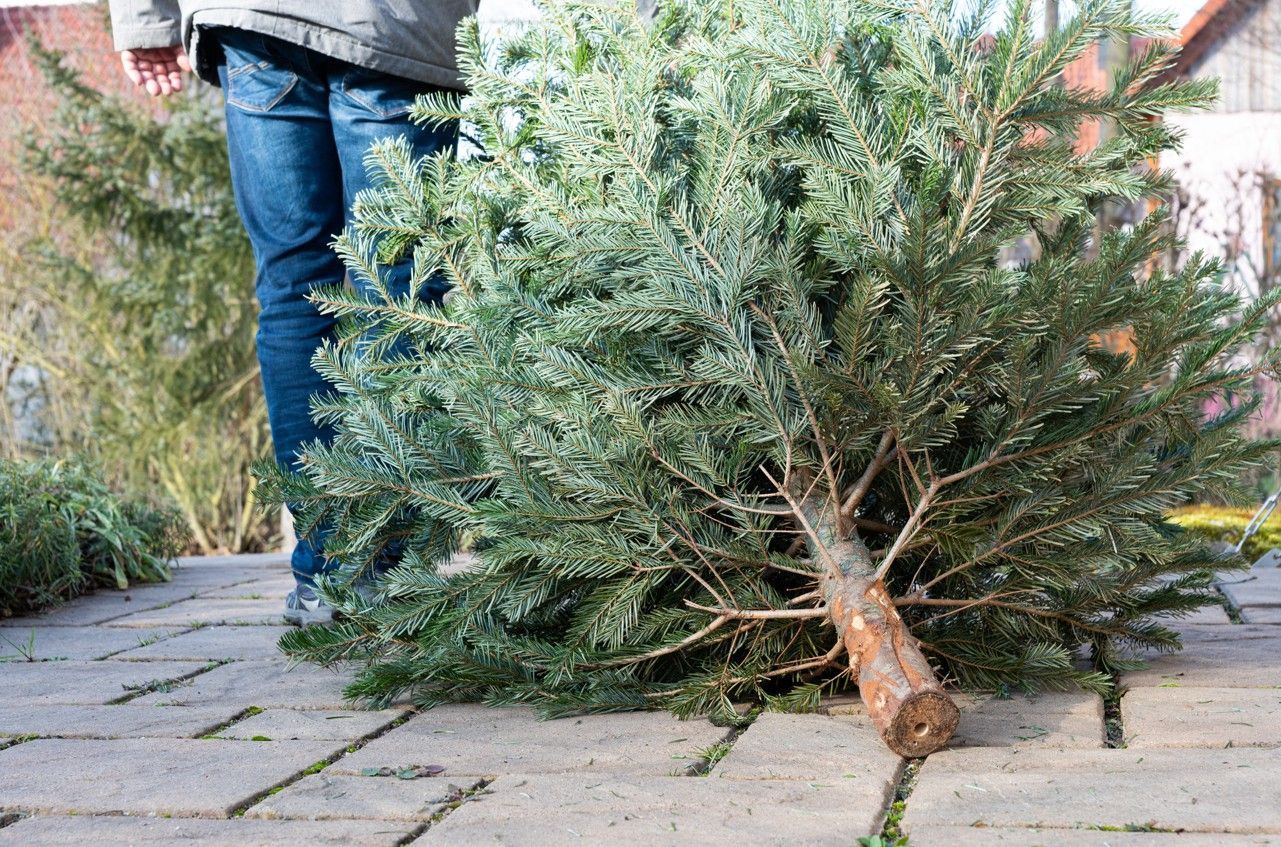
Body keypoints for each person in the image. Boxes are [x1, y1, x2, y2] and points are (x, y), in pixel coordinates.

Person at [108, 1, 479, 625]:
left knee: (293, 291)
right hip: (395, 25)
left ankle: (329, 573)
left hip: (260, 21)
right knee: (398, 292)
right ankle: (377, 569)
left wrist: (145, 21)